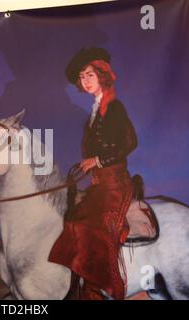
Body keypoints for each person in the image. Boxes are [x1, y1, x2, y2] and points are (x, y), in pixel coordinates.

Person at [49, 47, 138, 300]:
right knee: (73, 218)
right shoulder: (95, 109)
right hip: (99, 184)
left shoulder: (115, 107)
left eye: (90, 75)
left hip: (115, 184)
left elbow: (130, 143)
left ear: (103, 75)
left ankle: (109, 286)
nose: (85, 80)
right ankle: (82, 285)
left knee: (94, 226)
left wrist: (97, 160)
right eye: (82, 76)